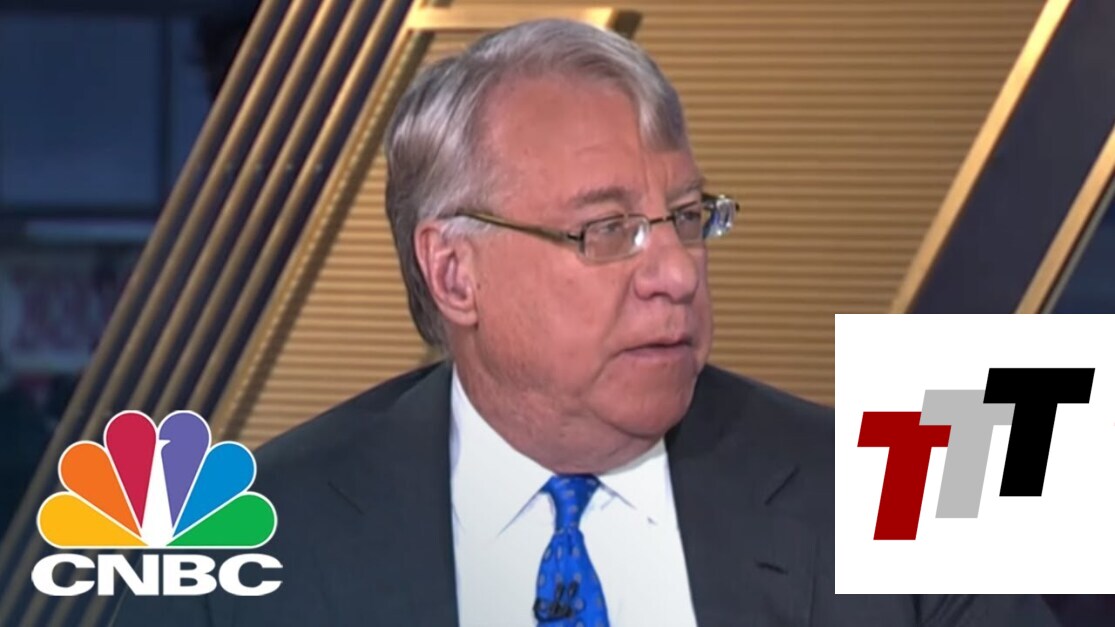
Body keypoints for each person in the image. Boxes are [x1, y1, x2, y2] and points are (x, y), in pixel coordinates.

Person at [115, 19, 1059, 626]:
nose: (675, 272)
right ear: (454, 271)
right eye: (606, 230)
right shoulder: (239, 547)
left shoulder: (909, 494)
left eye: (686, 217)